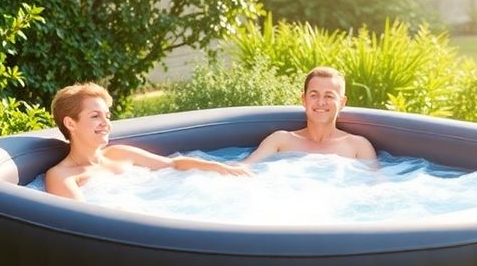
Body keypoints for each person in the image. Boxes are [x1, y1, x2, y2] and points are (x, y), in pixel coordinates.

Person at [44, 82, 249, 200]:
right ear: (71, 123)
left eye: (107, 115)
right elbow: (83, 223)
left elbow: (174, 164)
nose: (106, 123)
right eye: (95, 116)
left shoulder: (120, 153)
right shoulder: (61, 176)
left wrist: (220, 167)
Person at [242, 66, 377, 165]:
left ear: (342, 102)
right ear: (304, 100)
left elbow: (377, 189)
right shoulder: (280, 141)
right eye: (314, 95)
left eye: (329, 96)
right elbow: (242, 169)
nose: (321, 102)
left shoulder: (358, 146)